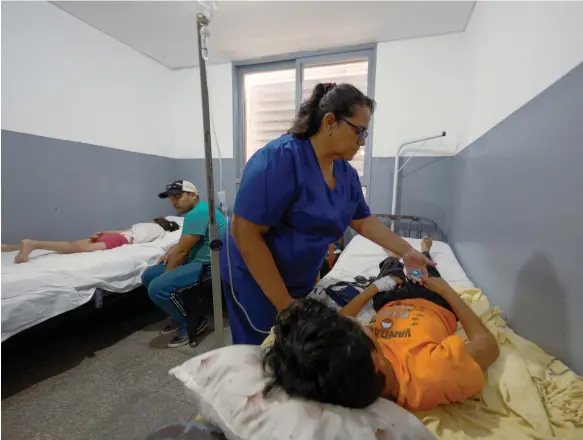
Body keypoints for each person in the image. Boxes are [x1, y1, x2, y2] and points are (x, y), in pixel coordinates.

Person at [220, 82, 434, 345]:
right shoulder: (278, 160)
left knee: (294, 347)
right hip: (255, 277)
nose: (362, 142)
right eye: (359, 132)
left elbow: (363, 220)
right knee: (262, 347)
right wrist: (284, 304)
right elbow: (246, 232)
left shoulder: (346, 174)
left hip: (299, 278)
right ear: (330, 121)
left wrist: (406, 251)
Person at [262, 237, 500, 411]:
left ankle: (394, 255)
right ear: (376, 358)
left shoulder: (343, 367)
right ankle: (423, 251)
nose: (356, 323)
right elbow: (488, 345)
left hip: (389, 299)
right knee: (424, 268)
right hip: (432, 301)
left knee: (389, 270)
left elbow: (341, 319)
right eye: (357, 328)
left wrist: (375, 288)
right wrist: (445, 289)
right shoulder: (429, 374)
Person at [142, 180, 227, 348]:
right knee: (148, 275)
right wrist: (172, 250)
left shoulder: (197, 214)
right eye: (171, 198)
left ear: (193, 195)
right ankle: (180, 314)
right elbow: (186, 242)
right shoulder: (199, 211)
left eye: (177, 196)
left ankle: (194, 321)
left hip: (208, 267)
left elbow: (182, 252)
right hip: (195, 260)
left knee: (157, 287)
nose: (173, 201)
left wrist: (167, 275)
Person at [7, 218, 179, 264]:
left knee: (70, 245)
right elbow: (135, 239)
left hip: (110, 234)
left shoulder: (142, 224)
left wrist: (101, 233)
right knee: (76, 249)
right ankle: (33, 243)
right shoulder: (157, 230)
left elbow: (122, 230)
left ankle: (13, 247)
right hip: (119, 240)